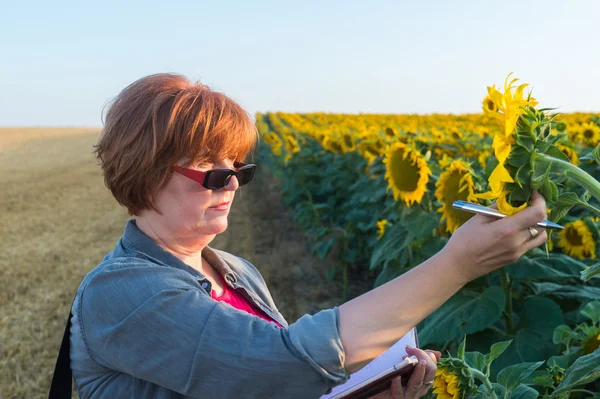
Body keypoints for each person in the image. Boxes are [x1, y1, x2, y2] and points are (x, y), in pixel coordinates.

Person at [67, 73, 548, 399]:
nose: (231, 182)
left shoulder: (235, 270)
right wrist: (457, 265)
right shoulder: (119, 292)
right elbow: (281, 365)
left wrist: (369, 386)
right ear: (144, 170)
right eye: (209, 166)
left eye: (237, 166)